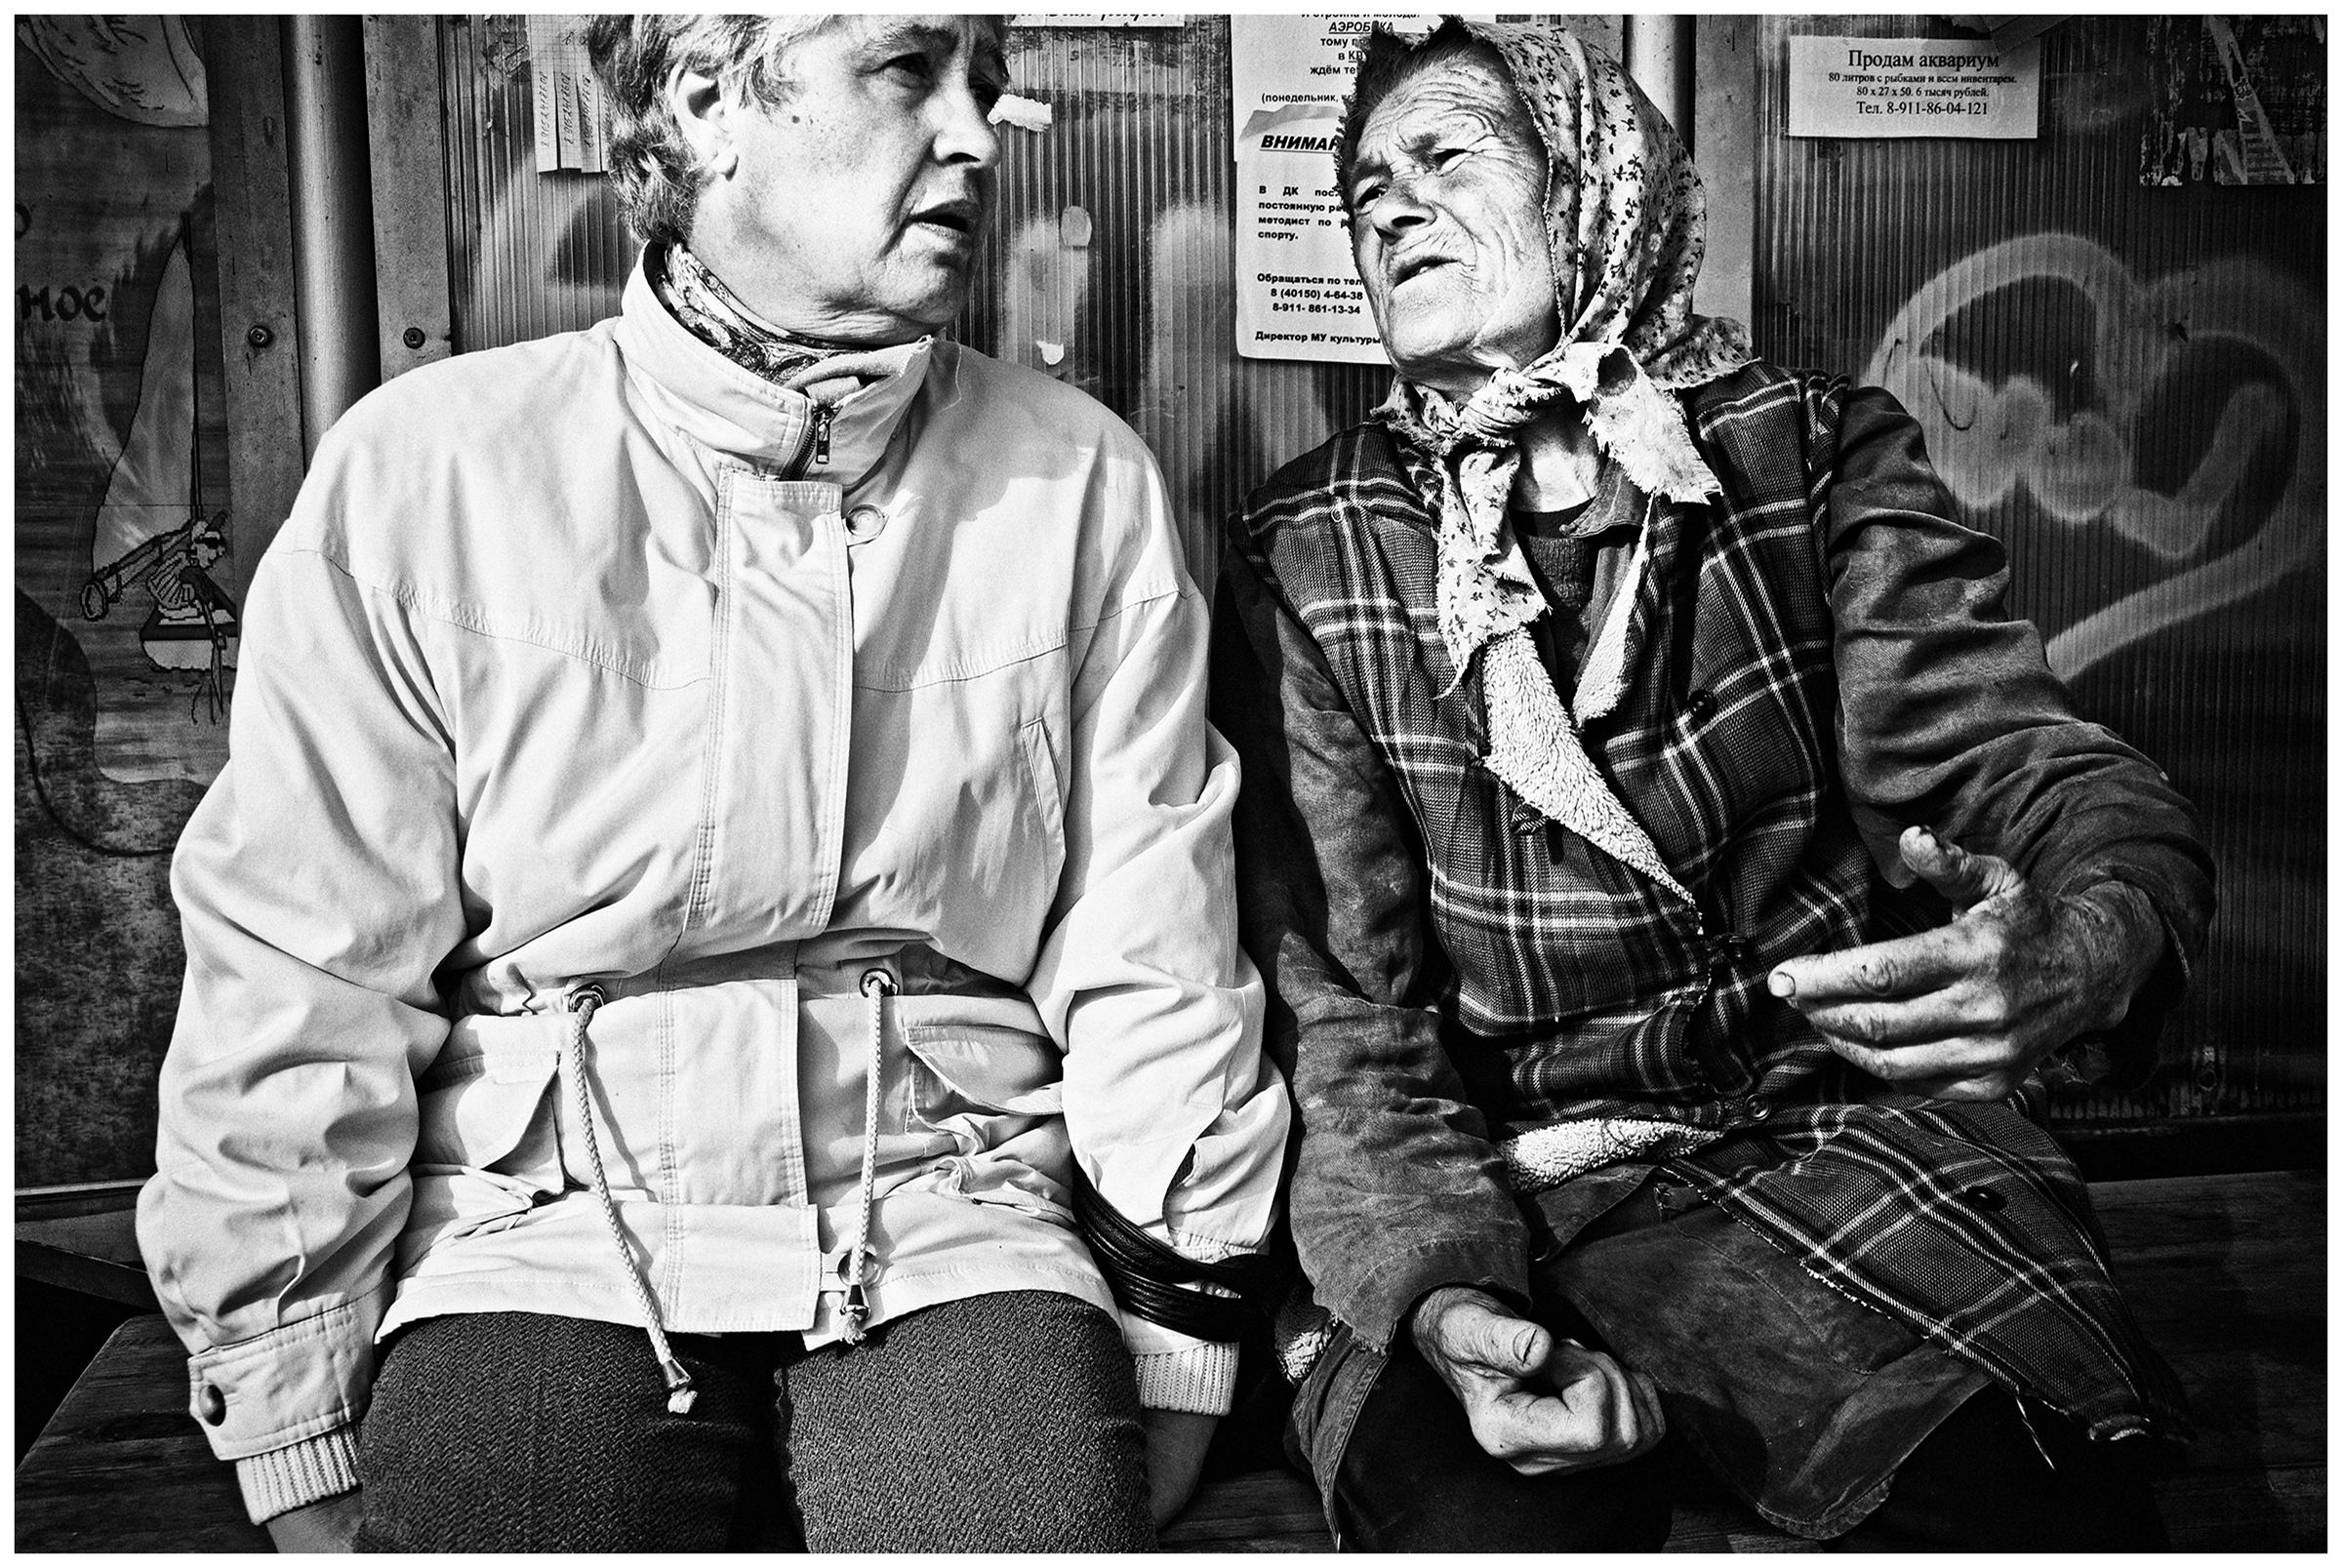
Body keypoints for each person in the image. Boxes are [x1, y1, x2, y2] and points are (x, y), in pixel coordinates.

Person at [138, 14, 1288, 1552]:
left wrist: (1176, 1319)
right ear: (704, 99)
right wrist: (290, 1396)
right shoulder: (428, 471)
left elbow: (1152, 942)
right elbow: (301, 971)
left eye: (988, 89)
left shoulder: (1075, 480)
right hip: (530, 1224)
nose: (976, 135)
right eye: (906, 72)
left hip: (950, 1212)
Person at [1213, 19, 2213, 1551]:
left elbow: (2020, 764)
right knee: (1479, 1519)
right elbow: (1352, 1018)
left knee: (2018, 1513)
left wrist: (2088, 932)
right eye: (1363, 193)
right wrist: (1447, 1298)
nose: (1391, 209)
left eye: (1446, 160)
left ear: (1593, 186)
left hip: (1831, 1136)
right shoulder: (1314, 550)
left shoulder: (1806, 457)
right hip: (1512, 1181)